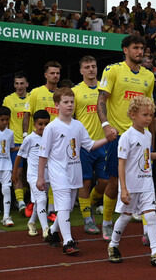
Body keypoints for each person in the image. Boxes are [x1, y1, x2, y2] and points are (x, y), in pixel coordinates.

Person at [37, 88, 109, 255]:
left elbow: (89, 145)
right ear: (57, 105)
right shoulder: (51, 127)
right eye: (66, 102)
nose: (70, 105)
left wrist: (107, 139)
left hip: (74, 170)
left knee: (67, 207)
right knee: (63, 205)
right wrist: (40, 177)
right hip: (58, 172)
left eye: (72, 102)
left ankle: (53, 232)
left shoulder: (78, 125)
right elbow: (43, 154)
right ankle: (68, 241)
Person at [97, 35, 155, 241]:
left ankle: (148, 232)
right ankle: (106, 222)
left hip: (142, 136)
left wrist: (151, 139)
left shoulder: (149, 76)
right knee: (114, 181)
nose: (140, 51)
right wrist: (106, 125)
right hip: (119, 136)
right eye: (135, 47)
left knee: (145, 180)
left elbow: (150, 109)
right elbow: (101, 99)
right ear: (125, 50)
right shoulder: (113, 70)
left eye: (142, 48)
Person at [108, 96, 156, 267]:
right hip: (131, 185)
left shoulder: (148, 134)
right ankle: (113, 245)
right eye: (145, 115)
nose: (149, 119)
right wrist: (123, 188)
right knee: (125, 217)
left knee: (150, 215)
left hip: (146, 183)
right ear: (133, 115)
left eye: (151, 115)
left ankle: (155, 252)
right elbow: (121, 163)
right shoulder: (126, 137)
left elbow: (145, 156)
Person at [72, 56, 107, 236]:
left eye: (93, 66)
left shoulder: (105, 88)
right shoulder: (75, 91)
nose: (91, 69)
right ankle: (88, 220)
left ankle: (90, 203)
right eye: (87, 67)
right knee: (85, 182)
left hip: (104, 142)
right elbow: (71, 118)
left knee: (106, 181)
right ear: (81, 71)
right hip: (84, 146)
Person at [16, 109, 52, 238]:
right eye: (40, 124)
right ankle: (46, 230)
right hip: (33, 176)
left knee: (39, 201)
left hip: (47, 175)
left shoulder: (51, 138)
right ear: (34, 124)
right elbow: (19, 156)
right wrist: (14, 173)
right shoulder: (29, 139)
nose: (43, 127)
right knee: (42, 200)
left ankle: (31, 222)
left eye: (46, 124)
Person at [3, 71, 31, 211]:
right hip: (16, 142)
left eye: (22, 83)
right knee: (17, 172)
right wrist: (7, 141)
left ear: (27, 84)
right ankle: (20, 202)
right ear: (14, 85)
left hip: (31, 141)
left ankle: (21, 197)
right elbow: (5, 121)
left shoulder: (33, 97)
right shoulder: (8, 99)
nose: (19, 86)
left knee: (29, 174)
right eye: (17, 83)